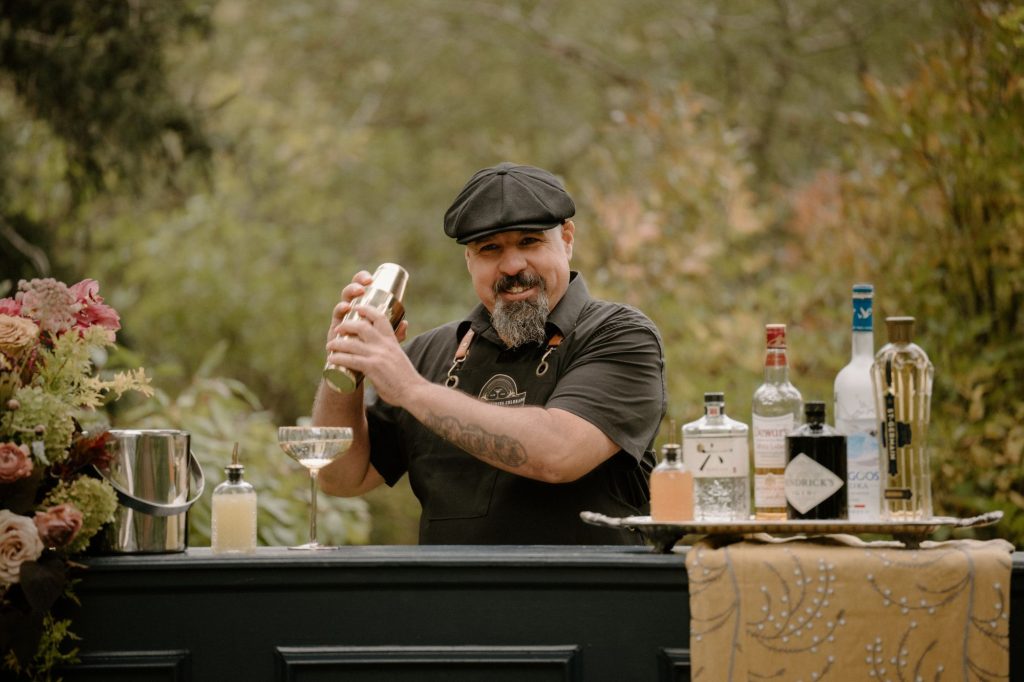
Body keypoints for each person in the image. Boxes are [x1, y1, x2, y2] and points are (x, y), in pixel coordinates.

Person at [312, 162, 666, 544]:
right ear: (469, 260)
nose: (512, 265)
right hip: (450, 599)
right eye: (490, 248)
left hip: (583, 598)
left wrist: (410, 389)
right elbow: (340, 477)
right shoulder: (429, 353)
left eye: (529, 241)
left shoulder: (620, 334)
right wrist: (345, 362)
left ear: (566, 239)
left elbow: (560, 454)